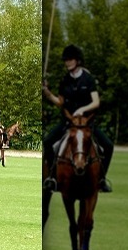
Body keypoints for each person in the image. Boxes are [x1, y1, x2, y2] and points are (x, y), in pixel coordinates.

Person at [42, 44, 113, 193]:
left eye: (70, 59)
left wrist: (82, 109)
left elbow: (96, 102)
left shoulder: (88, 79)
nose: (67, 62)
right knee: (47, 142)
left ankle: (101, 179)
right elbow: (60, 102)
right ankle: (52, 178)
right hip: (68, 122)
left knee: (108, 146)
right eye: (66, 60)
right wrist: (48, 93)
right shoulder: (65, 80)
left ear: (77, 61)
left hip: (87, 123)